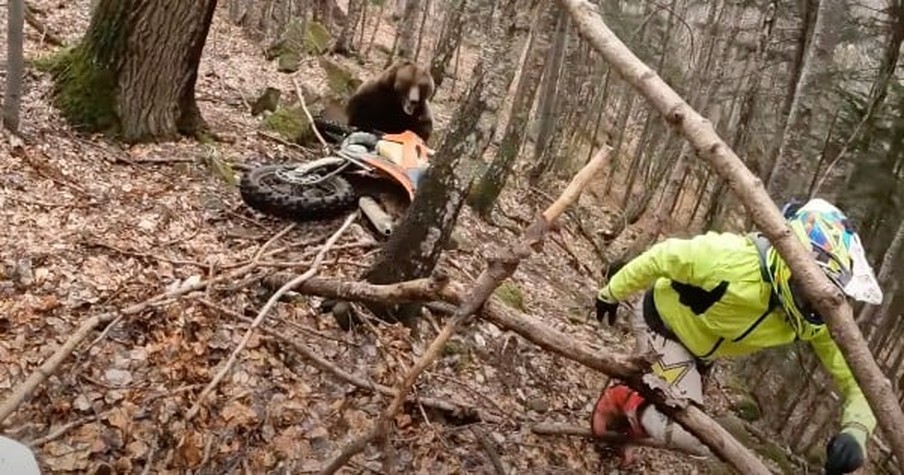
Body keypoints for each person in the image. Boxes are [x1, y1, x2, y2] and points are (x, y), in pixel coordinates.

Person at [591, 198, 884, 474]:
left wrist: (855, 433)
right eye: (809, 288)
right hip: (663, 324)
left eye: (823, 293)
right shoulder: (731, 260)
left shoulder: (815, 320)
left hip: (702, 352)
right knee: (689, 433)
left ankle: (623, 429)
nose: (814, 301)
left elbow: (861, 380)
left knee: (677, 418)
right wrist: (613, 291)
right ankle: (624, 396)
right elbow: (663, 257)